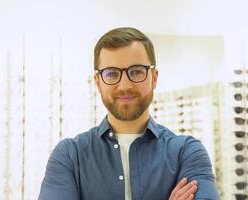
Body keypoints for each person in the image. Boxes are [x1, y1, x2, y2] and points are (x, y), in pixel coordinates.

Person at [38, 27, 220, 200]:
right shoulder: (69, 155)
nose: (125, 86)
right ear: (98, 82)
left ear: (154, 78)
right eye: (111, 74)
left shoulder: (187, 153)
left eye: (137, 72)